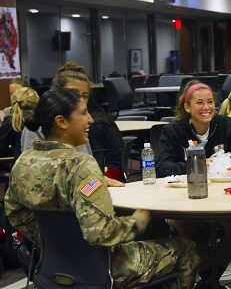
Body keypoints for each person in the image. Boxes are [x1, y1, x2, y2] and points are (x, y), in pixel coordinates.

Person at [4, 88, 200, 289]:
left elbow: (14, 212)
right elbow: (99, 233)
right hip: (103, 270)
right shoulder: (81, 166)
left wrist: (54, 241)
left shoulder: (23, 162)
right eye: (83, 113)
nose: (90, 119)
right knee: (186, 249)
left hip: (52, 268)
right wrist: (136, 222)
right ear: (61, 122)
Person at [154, 81, 231, 289]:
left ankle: (208, 276)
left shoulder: (228, 125)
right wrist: (196, 165)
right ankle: (210, 275)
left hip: (225, 195)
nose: (206, 107)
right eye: (200, 103)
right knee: (183, 224)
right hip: (186, 198)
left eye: (210, 102)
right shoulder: (173, 131)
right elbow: (162, 167)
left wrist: (229, 167)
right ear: (187, 107)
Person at [22, 61, 124, 184]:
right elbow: (39, 183)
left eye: (85, 96)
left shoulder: (80, 128)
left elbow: (88, 178)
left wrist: (97, 182)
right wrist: (95, 185)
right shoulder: (36, 128)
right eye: (73, 94)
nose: (80, 100)